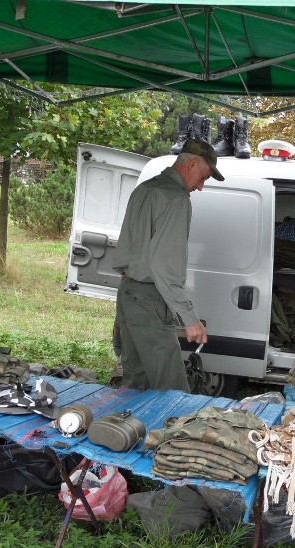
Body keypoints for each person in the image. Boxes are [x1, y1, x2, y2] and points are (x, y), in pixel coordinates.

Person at [112, 138, 224, 391]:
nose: (201, 187)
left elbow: (130, 251)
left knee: (135, 381)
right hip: (150, 298)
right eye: (203, 178)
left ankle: (131, 430)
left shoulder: (144, 189)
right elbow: (165, 267)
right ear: (192, 164)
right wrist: (190, 318)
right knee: (171, 389)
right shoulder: (176, 199)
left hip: (128, 291)